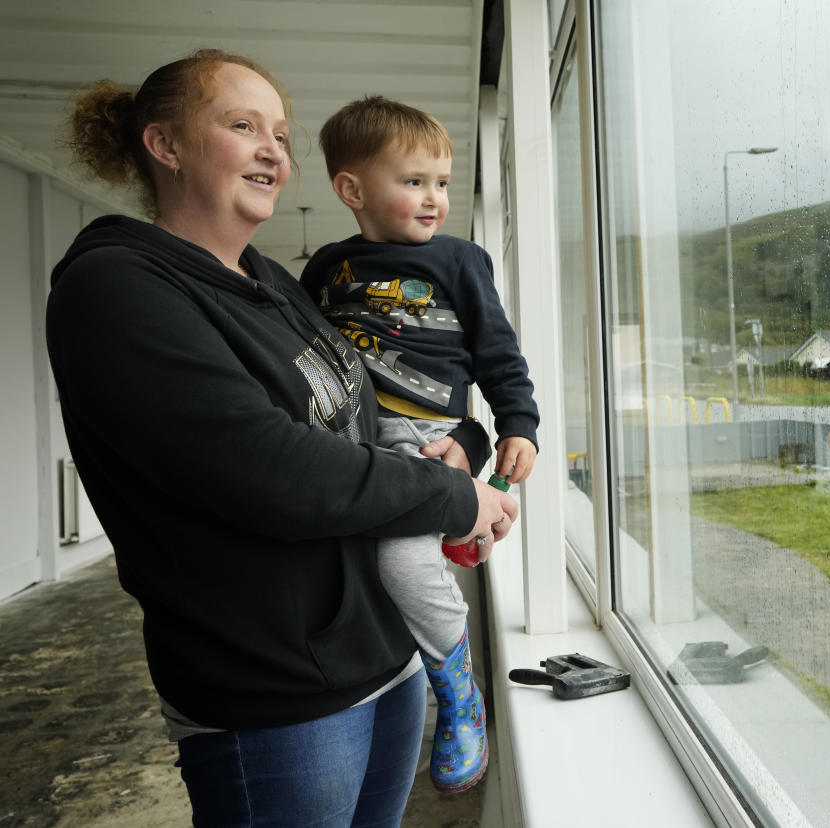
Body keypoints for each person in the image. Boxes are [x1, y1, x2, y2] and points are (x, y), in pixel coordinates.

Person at [45, 49, 517, 827]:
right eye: (241, 126)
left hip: (382, 659)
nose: (274, 150)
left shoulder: (270, 282)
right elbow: (270, 469)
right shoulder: (118, 287)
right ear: (164, 146)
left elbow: (364, 411)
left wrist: (462, 441)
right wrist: (447, 498)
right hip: (275, 695)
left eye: (281, 134)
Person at [300, 96, 539, 794]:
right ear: (352, 190)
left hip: (427, 440)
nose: (434, 198)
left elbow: (499, 353)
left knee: (401, 564)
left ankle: (458, 694)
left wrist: (514, 425)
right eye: (413, 182)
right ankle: (456, 538)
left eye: (441, 181)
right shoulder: (329, 269)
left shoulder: (461, 259)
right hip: (347, 440)